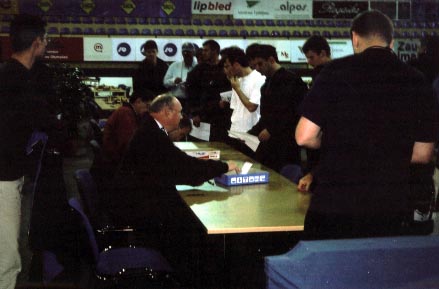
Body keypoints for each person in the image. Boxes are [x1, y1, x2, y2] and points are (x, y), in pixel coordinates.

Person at [295, 10, 437, 240]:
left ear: (355, 38)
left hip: (336, 202)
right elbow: (423, 153)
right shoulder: (417, 80)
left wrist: (338, 144)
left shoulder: (333, 72)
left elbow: (304, 136)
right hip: (389, 205)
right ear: (391, 41)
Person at [110, 95, 238, 229]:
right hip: (139, 208)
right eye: (180, 112)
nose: (182, 117)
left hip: (136, 197)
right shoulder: (153, 135)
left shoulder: (150, 127)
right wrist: (224, 166)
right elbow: (187, 169)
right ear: (167, 112)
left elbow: (180, 163)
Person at [0, 14, 47, 289]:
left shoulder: (9, 75)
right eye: (45, 39)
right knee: (7, 259)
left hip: (8, 175)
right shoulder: (19, 82)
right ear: (37, 43)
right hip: (4, 178)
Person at [246, 44, 307, 172]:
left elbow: (293, 114)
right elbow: (266, 116)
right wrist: (250, 133)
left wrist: (271, 130)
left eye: (260, 64)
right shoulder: (266, 85)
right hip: (269, 146)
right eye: (255, 65)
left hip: (286, 144)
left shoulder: (292, 80)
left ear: (271, 60)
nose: (257, 68)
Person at [298, 35, 332, 192]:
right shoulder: (320, 74)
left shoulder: (328, 75)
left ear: (323, 54)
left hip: (324, 137)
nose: (309, 62)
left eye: (311, 57)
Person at [220, 46, 265, 156]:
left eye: (227, 66)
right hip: (235, 132)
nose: (225, 71)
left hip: (250, 134)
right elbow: (235, 108)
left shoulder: (258, 78)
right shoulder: (236, 80)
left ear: (236, 65)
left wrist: (238, 89)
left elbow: (251, 107)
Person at [186, 39, 231, 142]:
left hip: (221, 115)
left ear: (215, 51)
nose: (203, 53)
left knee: (219, 146)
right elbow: (191, 94)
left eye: (206, 50)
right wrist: (194, 113)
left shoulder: (224, 69)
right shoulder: (198, 70)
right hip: (202, 115)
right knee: (201, 147)